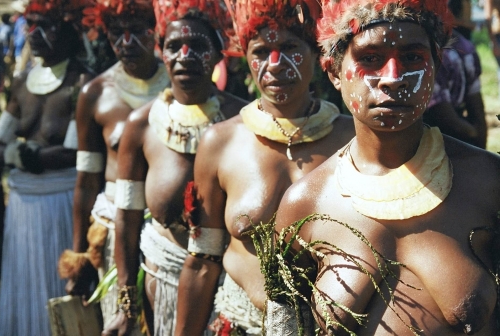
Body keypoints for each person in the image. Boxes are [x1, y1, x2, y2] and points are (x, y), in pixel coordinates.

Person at [274, 0, 500, 334]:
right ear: (335, 72)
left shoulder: (488, 182)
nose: (393, 78)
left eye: (412, 57)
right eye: (370, 58)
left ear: (436, 65)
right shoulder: (304, 204)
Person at [175, 0, 355, 334]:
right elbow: (202, 261)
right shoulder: (221, 143)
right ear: (245, 57)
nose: (274, 64)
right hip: (239, 324)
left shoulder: (354, 139)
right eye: (261, 52)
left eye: (289, 47)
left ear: (317, 53)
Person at [103, 0, 247, 334]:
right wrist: (128, 304)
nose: (184, 55)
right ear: (161, 53)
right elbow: (126, 216)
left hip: (226, 292)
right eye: (173, 47)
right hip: (160, 285)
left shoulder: (243, 122)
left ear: (218, 53)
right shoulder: (140, 126)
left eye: (197, 46)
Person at [57, 0, 169, 328]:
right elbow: (87, 180)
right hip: (112, 229)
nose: (127, 42)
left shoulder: (184, 88)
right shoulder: (95, 93)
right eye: (117, 33)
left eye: (138, 31)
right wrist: (79, 259)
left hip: (169, 230)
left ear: (157, 32)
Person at [0, 0, 93, 334]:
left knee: (58, 286)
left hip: (63, 202)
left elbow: (72, 153)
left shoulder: (82, 83)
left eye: (45, 25)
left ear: (68, 30)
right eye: (30, 25)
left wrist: (18, 155)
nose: (34, 34)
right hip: (23, 205)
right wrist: (16, 155)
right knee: (25, 286)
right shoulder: (23, 82)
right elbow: (0, 140)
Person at [425, 25, 487, 148]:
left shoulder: (460, 48)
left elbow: (446, 117)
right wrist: (476, 134)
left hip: (443, 133)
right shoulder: (463, 46)